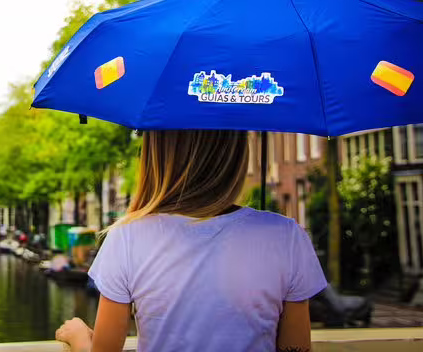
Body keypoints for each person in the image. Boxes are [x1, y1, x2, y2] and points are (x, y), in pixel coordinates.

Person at [56, 130, 326, 352]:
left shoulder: (126, 237)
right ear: (236, 154)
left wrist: (79, 336)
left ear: (157, 154)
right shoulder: (286, 235)